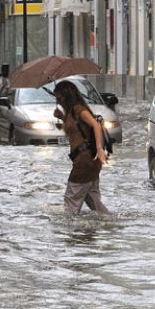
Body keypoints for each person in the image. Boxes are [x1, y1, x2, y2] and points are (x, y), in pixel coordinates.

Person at [53, 80, 109, 214]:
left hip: (85, 161)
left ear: (67, 95)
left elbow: (96, 124)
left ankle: (70, 233)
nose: (58, 101)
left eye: (59, 98)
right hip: (88, 161)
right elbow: (76, 131)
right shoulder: (71, 112)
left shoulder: (79, 109)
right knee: (93, 200)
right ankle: (108, 224)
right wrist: (62, 118)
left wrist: (100, 148)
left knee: (71, 200)